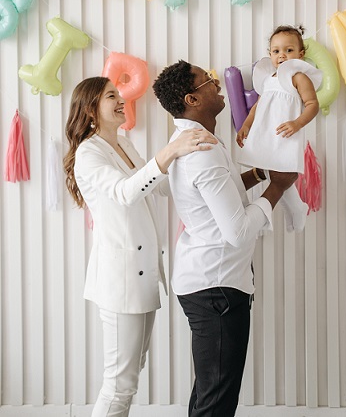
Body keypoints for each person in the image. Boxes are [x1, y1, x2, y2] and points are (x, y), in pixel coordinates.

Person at [63, 76, 217, 417]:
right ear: (90, 108)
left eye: (119, 94)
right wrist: (171, 150)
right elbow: (125, 191)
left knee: (130, 375)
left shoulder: (124, 143)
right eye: (111, 96)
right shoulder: (88, 153)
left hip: (143, 278)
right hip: (121, 282)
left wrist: (187, 158)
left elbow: (157, 188)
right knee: (120, 384)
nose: (121, 100)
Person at [153, 60, 295, 417]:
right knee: (216, 401)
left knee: (208, 393)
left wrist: (259, 173)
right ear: (192, 99)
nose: (217, 85)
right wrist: (276, 189)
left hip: (209, 283)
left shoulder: (198, 143)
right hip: (215, 288)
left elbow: (218, 199)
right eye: (208, 81)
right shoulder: (202, 152)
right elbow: (238, 231)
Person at [236, 25, 322, 232]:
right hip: (267, 133)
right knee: (273, 172)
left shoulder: (298, 77)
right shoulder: (269, 80)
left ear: (300, 54)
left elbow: (312, 104)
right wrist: (247, 124)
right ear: (270, 55)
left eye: (288, 50)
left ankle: (292, 210)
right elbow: (259, 105)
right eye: (276, 51)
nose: (282, 55)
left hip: (286, 133)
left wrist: (297, 123)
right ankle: (296, 208)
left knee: (281, 174)